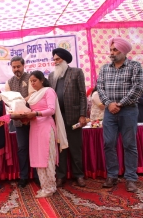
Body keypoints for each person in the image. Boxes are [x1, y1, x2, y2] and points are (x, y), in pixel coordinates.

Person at [97, 37, 143, 192]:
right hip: (109, 112)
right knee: (108, 143)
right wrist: (109, 104)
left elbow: (137, 88)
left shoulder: (135, 66)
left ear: (124, 51)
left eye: (115, 50)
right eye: (111, 50)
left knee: (129, 144)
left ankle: (130, 178)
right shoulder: (104, 68)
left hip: (128, 110)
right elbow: (100, 88)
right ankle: (112, 175)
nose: (112, 53)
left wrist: (120, 103)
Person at [23, 71, 67, 198]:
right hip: (35, 128)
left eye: (35, 80)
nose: (32, 83)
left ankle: (50, 188)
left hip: (46, 128)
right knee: (38, 157)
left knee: (47, 158)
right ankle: (45, 186)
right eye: (31, 81)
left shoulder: (48, 91)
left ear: (42, 80)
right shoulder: (34, 95)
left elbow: (51, 110)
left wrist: (36, 114)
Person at [48, 48, 87, 188]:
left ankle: (79, 175)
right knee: (60, 149)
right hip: (57, 119)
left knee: (75, 148)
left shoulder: (76, 72)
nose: (55, 62)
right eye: (54, 59)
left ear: (64, 60)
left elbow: (83, 95)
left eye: (58, 59)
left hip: (74, 117)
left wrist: (83, 115)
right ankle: (60, 176)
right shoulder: (52, 76)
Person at [5, 56, 39, 188]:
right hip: (19, 122)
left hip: (32, 120)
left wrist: (20, 102)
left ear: (23, 66)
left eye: (18, 66)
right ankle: (23, 176)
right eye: (14, 67)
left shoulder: (31, 78)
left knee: (35, 148)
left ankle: (37, 175)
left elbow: (33, 96)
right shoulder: (9, 82)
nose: (16, 69)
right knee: (22, 149)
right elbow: (8, 100)